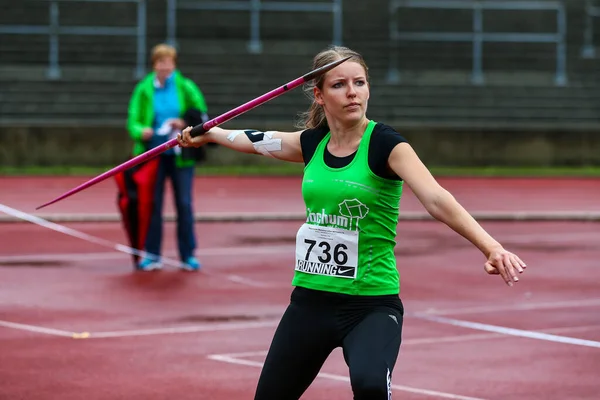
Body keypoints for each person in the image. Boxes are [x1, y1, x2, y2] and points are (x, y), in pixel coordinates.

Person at [177, 45, 527, 399]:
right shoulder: (313, 143)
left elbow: (436, 198)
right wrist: (211, 134)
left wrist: (491, 246)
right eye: (339, 85)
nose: (352, 92)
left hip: (370, 305)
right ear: (319, 94)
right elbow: (258, 140)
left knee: (371, 387)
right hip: (311, 301)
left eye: (359, 83)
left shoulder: (386, 145)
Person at [126, 43, 209, 272]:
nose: (165, 66)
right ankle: (151, 254)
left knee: (184, 203)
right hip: (153, 155)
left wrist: (182, 123)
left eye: (169, 62)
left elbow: (201, 114)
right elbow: (133, 119)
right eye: (161, 62)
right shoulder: (144, 89)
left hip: (181, 154)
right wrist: (140, 130)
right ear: (154, 64)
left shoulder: (185, 86)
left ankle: (188, 254)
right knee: (152, 204)